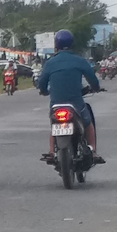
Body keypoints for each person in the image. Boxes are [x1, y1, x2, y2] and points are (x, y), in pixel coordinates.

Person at [36, 30, 105, 164]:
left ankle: (51, 152)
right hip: (76, 104)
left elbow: (42, 84)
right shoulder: (79, 61)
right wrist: (96, 88)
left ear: (56, 45)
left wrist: (44, 91)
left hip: (56, 105)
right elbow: (93, 81)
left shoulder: (50, 63)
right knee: (88, 123)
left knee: (54, 125)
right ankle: (93, 151)